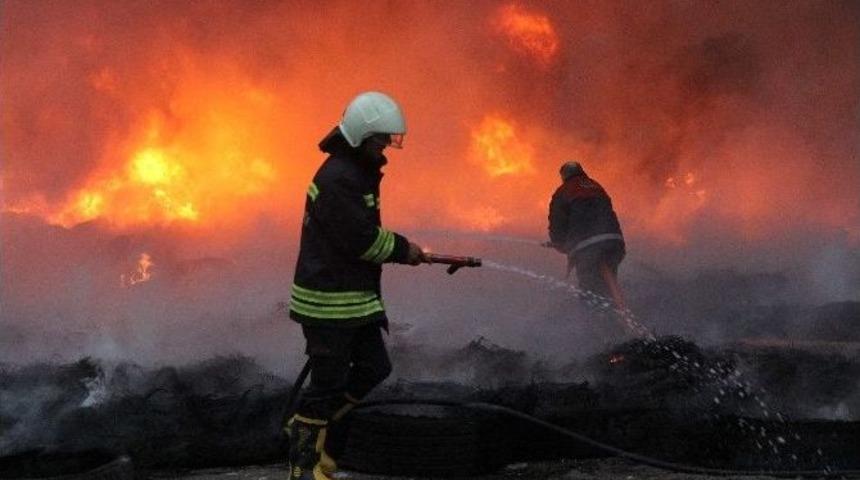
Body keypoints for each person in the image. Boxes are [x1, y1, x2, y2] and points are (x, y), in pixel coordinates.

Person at [287, 91, 425, 480]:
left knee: (374, 367)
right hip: (329, 302)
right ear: (363, 136)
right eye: (381, 139)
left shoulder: (354, 171)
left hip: (351, 299)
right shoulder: (338, 178)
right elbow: (361, 240)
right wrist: (404, 249)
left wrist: (402, 250)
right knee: (325, 386)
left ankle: (317, 434)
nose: (386, 146)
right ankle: (305, 466)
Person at [548, 161, 626, 306]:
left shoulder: (563, 191)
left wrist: (559, 243)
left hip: (587, 246)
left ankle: (600, 323)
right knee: (607, 284)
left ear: (564, 176)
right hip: (613, 242)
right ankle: (618, 315)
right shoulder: (596, 186)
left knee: (590, 291)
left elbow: (557, 224)